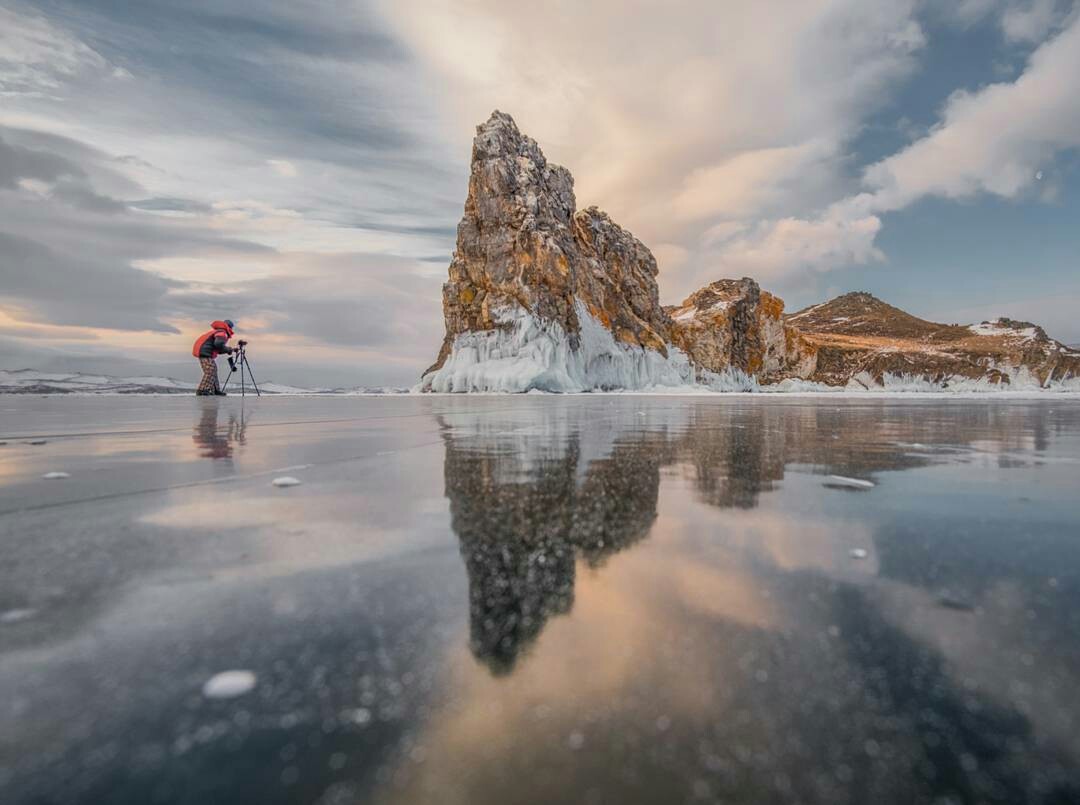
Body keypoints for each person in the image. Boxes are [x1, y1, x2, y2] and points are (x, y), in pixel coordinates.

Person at [191, 319, 243, 396]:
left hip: (205, 352)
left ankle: (215, 390)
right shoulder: (222, 332)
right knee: (210, 370)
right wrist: (229, 349)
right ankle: (202, 390)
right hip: (205, 353)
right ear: (229, 328)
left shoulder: (218, 331)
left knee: (213, 370)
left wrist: (230, 350)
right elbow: (218, 345)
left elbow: (218, 349)